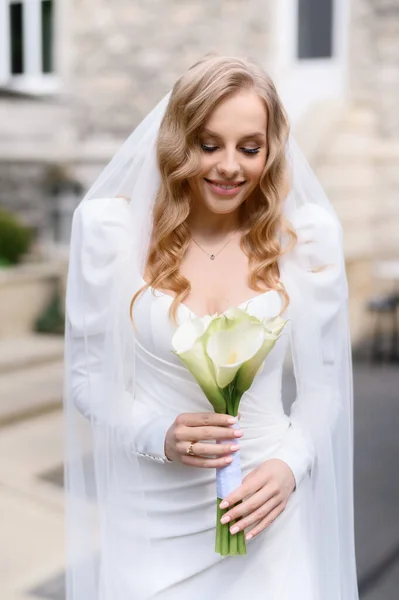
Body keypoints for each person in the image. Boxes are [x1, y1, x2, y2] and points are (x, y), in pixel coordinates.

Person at [64, 55, 359, 599]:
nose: (229, 166)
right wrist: (157, 434)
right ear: (179, 142)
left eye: (250, 147)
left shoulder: (308, 239)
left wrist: (289, 466)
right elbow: (87, 380)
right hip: (152, 527)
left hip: (266, 514)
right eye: (208, 144)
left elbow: (324, 392)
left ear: (272, 150)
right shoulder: (110, 233)